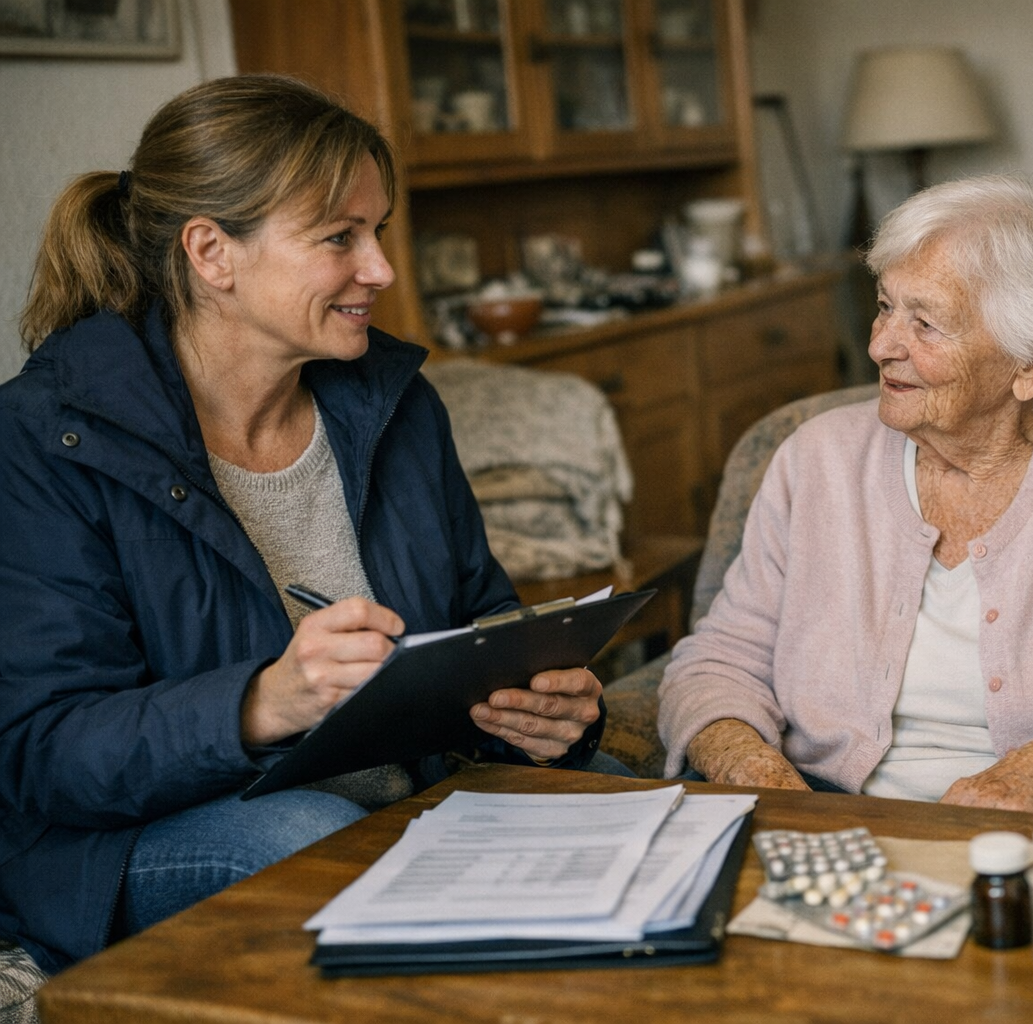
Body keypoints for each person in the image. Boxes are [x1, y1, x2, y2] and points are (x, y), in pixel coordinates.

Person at [0, 75, 620, 974]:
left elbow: (480, 621)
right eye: (340, 238)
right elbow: (41, 750)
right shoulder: (45, 440)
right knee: (321, 835)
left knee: (622, 804)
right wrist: (261, 703)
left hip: (395, 796)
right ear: (212, 253)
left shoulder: (398, 407)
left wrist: (538, 711)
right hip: (123, 844)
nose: (381, 271)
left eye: (378, 232)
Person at [658, 174, 1033, 809]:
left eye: (925, 323)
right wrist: (752, 768)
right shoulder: (814, 460)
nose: (881, 346)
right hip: (825, 807)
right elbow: (720, 660)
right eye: (885, 306)